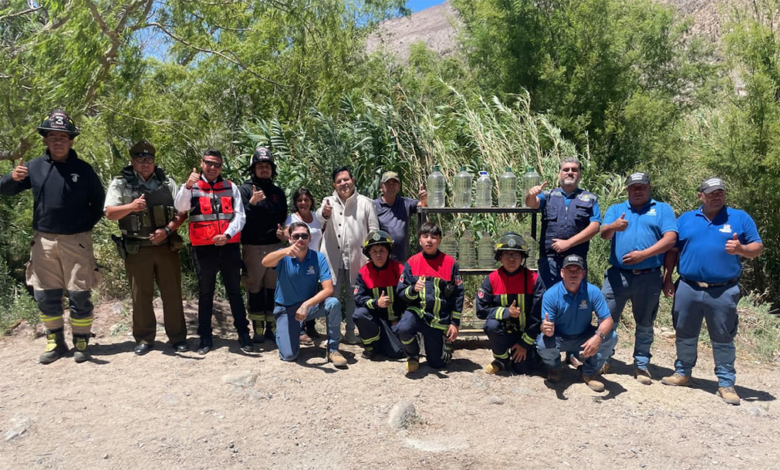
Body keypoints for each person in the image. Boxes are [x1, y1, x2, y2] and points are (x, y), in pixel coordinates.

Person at [0, 110, 104, 364]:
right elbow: (5, 190)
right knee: (46, 295)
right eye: (53, 137)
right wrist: (11, 178)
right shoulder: (33, 167)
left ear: (71, 141)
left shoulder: (84, 169)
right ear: (45, 139)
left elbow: (99, 203)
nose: (58, 141)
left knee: (79, 294)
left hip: (76, 241)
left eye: (63, 137)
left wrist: (82, 228)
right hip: (43, 242)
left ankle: (81, 342)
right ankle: (56, 342)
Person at [661, 177, 763, 405]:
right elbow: (672, 251)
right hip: (688, 286)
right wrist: (667, 279)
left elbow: (757, 247)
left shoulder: (740, 218)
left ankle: (726, 383)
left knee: (723, 336)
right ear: (701, 196)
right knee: (684, 332)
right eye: (711, 193)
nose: (717, 197)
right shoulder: (686, 219)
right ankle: (683, 373)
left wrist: (741, 249)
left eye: (720, 193)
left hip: (723, 290)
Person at [104, 141, 188, 355]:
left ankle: (178, 337)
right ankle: (144, 338)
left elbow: (181, 213)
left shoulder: (167, 182)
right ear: (132, 162)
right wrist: (131, 207)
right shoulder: (121, 184)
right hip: (137, 248)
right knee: (141, 296)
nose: (145, 163)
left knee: (172, 293)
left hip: (166, 246)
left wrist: (167, 230)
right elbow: (110, 213)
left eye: (149, 160)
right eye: (140, 160)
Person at [600, 172, 677, 383]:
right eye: (633, 187)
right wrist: (613, 226)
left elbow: (671, 239)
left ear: (649, 188)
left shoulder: (662, 209)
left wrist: (644, 255)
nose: (638, 190)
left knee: (645, 323)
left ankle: (641, 365)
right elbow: (604, 234)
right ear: (627, 190)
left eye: (642, 187)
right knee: (607, 319)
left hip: (649, 276)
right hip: (617, 276)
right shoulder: (617, 209)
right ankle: (604, 358)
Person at [174, 148, 252, 355]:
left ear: (221, 167)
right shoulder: (192, 187)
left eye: (217, 164)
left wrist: (227, 234)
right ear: (201, 163)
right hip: (203, 249)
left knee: (234, 291)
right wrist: (187, 185)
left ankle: (243, 334)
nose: (212, 167)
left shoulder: (230, 187)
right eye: (208, 163)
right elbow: (180, 206)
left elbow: (240, 216)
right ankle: (205, 337)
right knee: (205, 292)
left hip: (228, 245)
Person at [261, 222, 348, 368]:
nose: (300, 239)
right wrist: (285, 251)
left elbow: (328, 290)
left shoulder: (318, 258)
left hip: (308, 308)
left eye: (304, 236)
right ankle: (287, 330)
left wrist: (306, 305)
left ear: (309, 239)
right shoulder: (283, 255)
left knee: (333, 303)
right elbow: (265, 262)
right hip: (286, 309)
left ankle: (333, 349)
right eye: (296, 236)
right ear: (290, 238)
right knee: (289, 356)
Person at [317, 166, 379, 344]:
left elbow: (374, 230)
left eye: (346, 179)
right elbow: (318, 220)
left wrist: (372, 255)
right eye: (339, 181)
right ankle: (333, 334)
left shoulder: (365, 202)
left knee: (354, 296)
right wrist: (324, 214)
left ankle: (351, 332)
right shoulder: (328, 201)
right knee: (332, 297)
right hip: (332, 257)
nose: (343, 183)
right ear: (334, 185)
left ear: (353, 180)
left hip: (357, 258)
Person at [537, 254, 617, 392]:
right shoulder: (550, 294)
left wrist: (598, 337)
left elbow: (608, 320)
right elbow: (546, 326)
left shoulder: (593, 291)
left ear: (583, 273)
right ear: (562, 273)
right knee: (542, 342)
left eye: (577, 270)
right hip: (560, 337)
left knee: (611, 336)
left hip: (583, 336)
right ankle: (555, 369)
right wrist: (545, 328)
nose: (573, 274)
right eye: (569, 270)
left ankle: (589, 372)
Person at [524, 157, 601, 299]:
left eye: (574, 170)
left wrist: (568, 243)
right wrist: (531, 194)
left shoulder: (590, 198)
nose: (570, 172)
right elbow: (531, 203)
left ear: (580, 174)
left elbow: (595, 227)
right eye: (566, 169)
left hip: (576, 261)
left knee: (575, 300)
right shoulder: (547, 195)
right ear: (559, 174)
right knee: (547, 299)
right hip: (550, 261)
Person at [396, 222, 464, 373]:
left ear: (439, 240)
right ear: (419, 240)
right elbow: (400, 291)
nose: (429, 240)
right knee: (403, 329)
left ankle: (444, 344)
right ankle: (413, 355)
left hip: (438, 318)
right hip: (417, 312)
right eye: (425, 236)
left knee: (438, 364)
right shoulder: (412, 262)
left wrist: (455, 323)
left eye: (433, 237)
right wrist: (413, 290)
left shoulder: (450, 263)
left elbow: (458, 294)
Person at [238, 146, 287, 345]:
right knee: (254, 287)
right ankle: (257, 328)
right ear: (253, 168)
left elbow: (283, 217)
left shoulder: (277, 192)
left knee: (273, 288)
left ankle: (271, 328)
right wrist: (251, 204)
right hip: (253, 247)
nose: (264, 169)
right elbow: (238, 218)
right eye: (260, 166)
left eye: (267, 166)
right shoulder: (244, 190)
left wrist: (283, 233)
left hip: (275, 246)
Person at [476, 233, 539, 375]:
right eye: (506, 254)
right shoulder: (491, 280)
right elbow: (481, 310)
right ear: (499, 257)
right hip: (503, 332)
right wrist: (506, 312)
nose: (511, 259)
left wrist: (524, 344)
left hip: (526, 334)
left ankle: (532, 355)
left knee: (522, 369)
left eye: (516, 255)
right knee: (491, 325)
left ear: (522, 257)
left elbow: (538, 315)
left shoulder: (533, 279)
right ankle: (501, 359)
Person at [352, 230, 405, 360]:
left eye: (382, 250)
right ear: (369, 253)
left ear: (388, 251)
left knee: (397, 353)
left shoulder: (399, 269)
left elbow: (407, 298)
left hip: (395, 321)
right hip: (374, 319)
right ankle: (371, 347)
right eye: (374, 251)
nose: (378, 255)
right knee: (359, 314)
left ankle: (386, 342)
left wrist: (399, 320)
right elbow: (358, 297)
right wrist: (376, 303)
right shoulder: (364, 272)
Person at [285, 186, 323, 341]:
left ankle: (311, 326)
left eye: (306, 199)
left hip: (314, 260)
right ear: (295, 202)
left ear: (311, 201)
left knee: (312, 293)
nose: (303, 203)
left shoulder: (317, 218)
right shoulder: (291, 219)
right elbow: (286, 235)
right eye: (300, 200)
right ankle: (299, 329)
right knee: (298, 295)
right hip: (297, 261)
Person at [373, 171, 427, 263]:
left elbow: (423, 205)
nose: (391, 186)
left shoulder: (405, 203)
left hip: (402, 260)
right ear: (381, 186)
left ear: (399, 187)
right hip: (381, 260)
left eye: (394, 183)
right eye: (387, 183)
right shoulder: (374, 205)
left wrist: (424, 199)